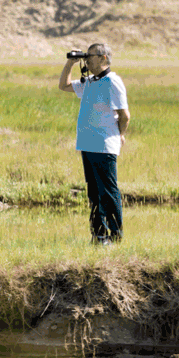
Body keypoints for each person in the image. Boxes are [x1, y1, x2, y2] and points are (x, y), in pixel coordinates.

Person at [58, 42, 130, 244]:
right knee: (94, 192)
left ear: (103, 58)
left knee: (108, 191)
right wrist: (70, 64)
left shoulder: (112, 82)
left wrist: (120, 134)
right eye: (86, 56)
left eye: (90, 56)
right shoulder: (89, 81)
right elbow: (63, 85)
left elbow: (125, 115)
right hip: (87, 144)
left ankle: (116, 237)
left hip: (104, 144)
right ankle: (99, 236)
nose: (87, 60)